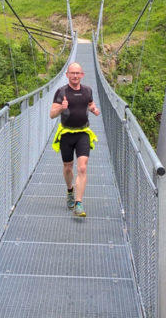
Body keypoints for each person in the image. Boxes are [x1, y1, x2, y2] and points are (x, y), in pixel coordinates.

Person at [49, 62, 100, 217]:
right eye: (72, 73)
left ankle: (78, 203)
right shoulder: (61, 92)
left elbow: (91, 104)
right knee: (68, 167)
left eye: (78, 73)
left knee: (82, 167)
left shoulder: (87, 91)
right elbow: (52, 114)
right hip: (66, 134)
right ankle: (70, 190)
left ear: (82, 75)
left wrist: (94, 109)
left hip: (83, 133)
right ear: (67, 75)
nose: (75, 76)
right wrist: (61, 108)